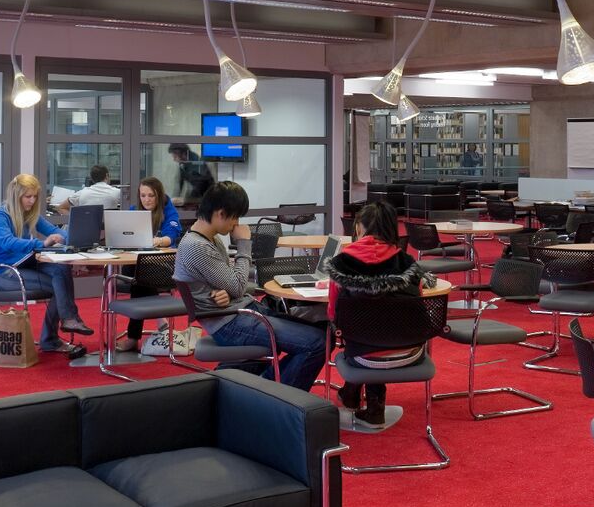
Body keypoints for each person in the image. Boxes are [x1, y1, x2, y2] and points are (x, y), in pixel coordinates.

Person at [173, 180, 326, 390]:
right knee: (317, 344)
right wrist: (244, 243)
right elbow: (237, 285)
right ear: (221, 213)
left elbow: (232, 285)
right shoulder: (197, 246)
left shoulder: (208, 239)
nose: (236, 224)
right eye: (235, 217)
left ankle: (265, 387)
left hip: (240, 311)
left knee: (322, 332)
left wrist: (228, 291)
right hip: (229, 323)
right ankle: (276, 396)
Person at [326, 201, 435, 427]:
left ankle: (355, 396)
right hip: (410, 352)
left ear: (359, 227)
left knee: (365, 337)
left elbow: (334, 315)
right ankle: (368, 404)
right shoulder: (408, 263)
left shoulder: (341, 264)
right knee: (381, 329)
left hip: (362, 357)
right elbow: (417, 306)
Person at [0, 174, 94, 358]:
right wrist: (42, 243)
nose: (32, 201)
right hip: (3, 273)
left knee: (61, 269)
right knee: (60, 286)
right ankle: (59, 330)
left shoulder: (29, 214)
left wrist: (74, 238)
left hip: (23, 266)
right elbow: (8, 242)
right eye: (28, 196)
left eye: (35, 196)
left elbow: (54, 230)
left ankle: (66, 322)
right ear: (16, 195)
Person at [113, 177, 185, 353]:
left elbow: (171, 236)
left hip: (163, 266)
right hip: (136, 266)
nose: (146, 200)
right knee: (138, 274)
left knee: (138, 280)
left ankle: (133, 338)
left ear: (159, 195)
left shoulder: (169, 211)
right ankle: (159, 319)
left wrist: (157, 241)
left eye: (151, 195)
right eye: (143, 195)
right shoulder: (134, 211)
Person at [56, 164, 122, 212]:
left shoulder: (81, 193)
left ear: (92, 178)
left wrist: (77, 219)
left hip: (87, 226)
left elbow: (61, 208)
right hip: (109, 226)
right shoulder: (117, 192)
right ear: (107, 175)